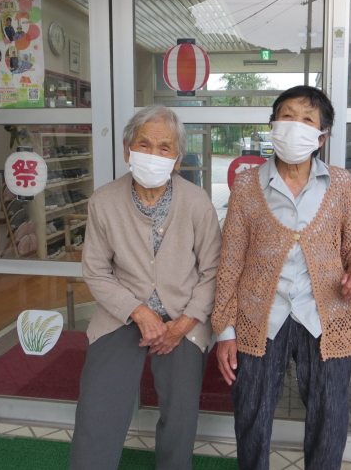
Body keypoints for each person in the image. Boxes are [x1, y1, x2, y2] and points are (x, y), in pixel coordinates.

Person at [212, 85, 351, 470]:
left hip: (325, 316)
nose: (295, 125)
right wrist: (225, 330)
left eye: (307, 119)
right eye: (287, 116)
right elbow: (231, 260)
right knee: (251, 417)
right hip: (259, 318)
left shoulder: (339, 183)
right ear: (273, 124)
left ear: (322, 136)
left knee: (329, 421)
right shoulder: (248, 185)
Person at [70, 105, 222, 470]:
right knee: (97, 406)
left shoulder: (197, 202)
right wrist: (139, 312)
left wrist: (184, 324)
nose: (153, 154)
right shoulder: (104, 200)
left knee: (181, 412)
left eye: (164, 147)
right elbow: (95, 271)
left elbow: (214, 271)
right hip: (122, 313)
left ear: (177, 159)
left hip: (184, 316)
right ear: (127, 150)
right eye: (144, 144)